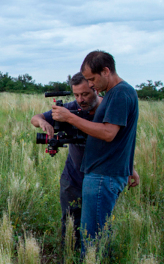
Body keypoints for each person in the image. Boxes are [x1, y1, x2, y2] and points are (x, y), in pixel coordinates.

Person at [51, 51, 139, 250]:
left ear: (106, 71)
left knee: (92, 238)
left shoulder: (120, 94)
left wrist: (70, 118)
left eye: (92, 79)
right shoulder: (116, 94)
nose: (90, 84)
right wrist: (128, 167)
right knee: (94, 233)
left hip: (103, 175)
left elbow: (108, 134)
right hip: (103, 172)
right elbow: (120, 140)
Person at [31, 72, 102, 249]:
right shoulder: (70, 108)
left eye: (85, 94)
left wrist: (130, 167)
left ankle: (94, 259)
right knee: (70, 220)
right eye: (76, 95)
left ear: (96, 88)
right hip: (74, 175)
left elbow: (120, 142)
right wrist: (42, 122)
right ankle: (69, 256)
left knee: (98, 222)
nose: (80, 99)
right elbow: (35, 118)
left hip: (100, 175)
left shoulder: (107, 109)